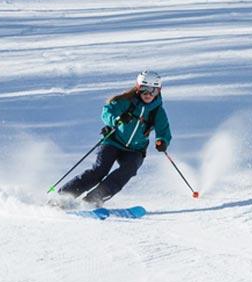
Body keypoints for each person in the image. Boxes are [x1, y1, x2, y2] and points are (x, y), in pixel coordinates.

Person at [58, 70, 172, 205]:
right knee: (100, 170)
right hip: (113, 141)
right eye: (144, 89)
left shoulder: (157, 111)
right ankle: (64, 196)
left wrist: (162, 141)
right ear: (138, 88)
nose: (148, 94)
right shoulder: (126, 101)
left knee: (127, 171)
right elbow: (107, 112)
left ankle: (93, 199)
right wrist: (117, 119)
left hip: (135, 149)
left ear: (159, 91)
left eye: (153, 91)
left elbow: (163, 129)